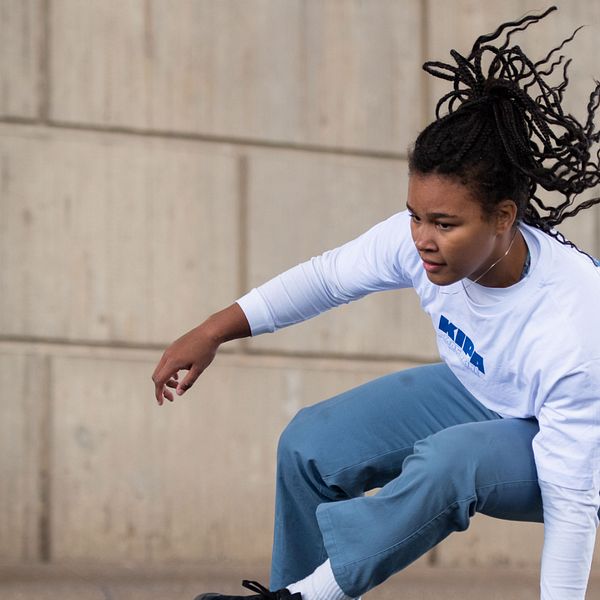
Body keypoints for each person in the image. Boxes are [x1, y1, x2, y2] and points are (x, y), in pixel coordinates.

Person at [152, 6, 600, 600]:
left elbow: (572, 502)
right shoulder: (418, 241)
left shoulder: (572, 324)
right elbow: (327, 278)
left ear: (503, 218)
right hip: (487, 389)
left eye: (443, 223)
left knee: (451, 461)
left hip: (581, 443)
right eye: (416, 216)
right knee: (312, 444)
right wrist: (213, 329)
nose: (421, 239)